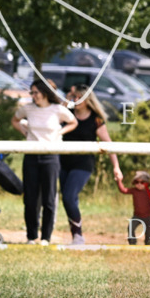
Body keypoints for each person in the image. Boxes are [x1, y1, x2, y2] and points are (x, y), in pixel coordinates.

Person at [11, 79, 78, 245]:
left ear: (45, 93)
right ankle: (31, 235)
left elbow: (73, 122)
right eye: (32, 93)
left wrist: (59, 133)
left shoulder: (57, 109)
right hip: (31, 155)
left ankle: (46, 237)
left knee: (49, 198)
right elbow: (15, 120)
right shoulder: (28, 108)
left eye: (36, 92)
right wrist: (25, 132)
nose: (33, 96)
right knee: (30, 198)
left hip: (50, 157)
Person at [61, 84, 122, 246]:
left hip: (83, 164)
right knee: (69, 199)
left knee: (68, 197)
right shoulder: (67, 114)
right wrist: (66, 101)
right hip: (63, 162)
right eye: (74, 97)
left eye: (79, 97)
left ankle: (78, 235)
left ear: (88, 100)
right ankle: (75, 235)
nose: (76, 100)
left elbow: (108, 144)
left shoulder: (96, 119)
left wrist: (116, 167)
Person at [116, 171, 150, 245]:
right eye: (137, 182)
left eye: (142, 182)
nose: (139, 184)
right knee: (131, 227)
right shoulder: (134, 191)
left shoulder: (149, 192)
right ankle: (132, 243)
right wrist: (119, 181)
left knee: (148, 231)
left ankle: (148, 243)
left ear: (147, 183)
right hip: (137, 216)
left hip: (148, 216)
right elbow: (123, 190)